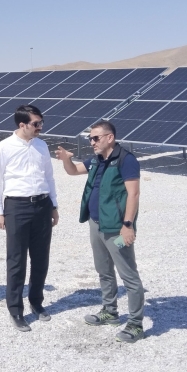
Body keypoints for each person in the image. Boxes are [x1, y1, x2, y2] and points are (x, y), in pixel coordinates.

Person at [54, 119, 145, 344]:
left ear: (110, 138)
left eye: (95, 138)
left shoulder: (126, 160)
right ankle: (110, 311)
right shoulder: (97, 160)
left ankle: (135, 324)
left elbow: (133, 194)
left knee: (128, 275)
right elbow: (74, 171)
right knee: (103, 270)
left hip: (117, 229)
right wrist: (66, 159)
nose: (92, 142)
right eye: (90, 139)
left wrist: (128, 225)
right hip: (96, 224)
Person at [0, 105, 59, 332]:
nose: (40, 127)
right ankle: (15, 310)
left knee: (41, 258)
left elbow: (49, 177)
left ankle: (36, 302)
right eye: (36, 124)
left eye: (41, 123)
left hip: (42, 205)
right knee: (16, 260)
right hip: (16, 206)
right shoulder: (4, 147)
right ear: (22, 125)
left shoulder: (42, 146)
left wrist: (54, 205)